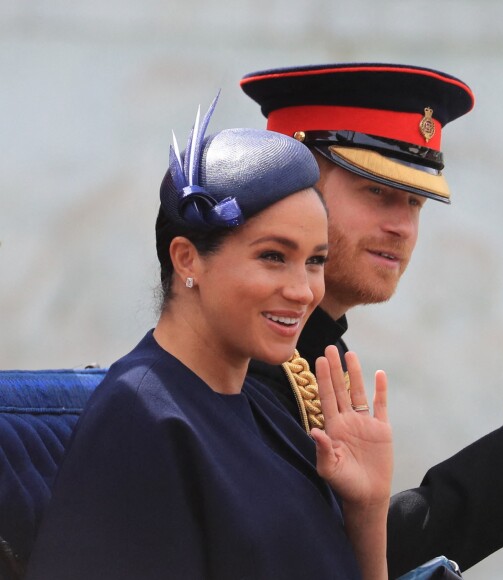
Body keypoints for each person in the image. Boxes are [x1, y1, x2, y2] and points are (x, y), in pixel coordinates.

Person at [25, 99, 393, 579]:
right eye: (273, 257)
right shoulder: (141, 417)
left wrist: (366, 510)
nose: (304, 291)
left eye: (315, 260)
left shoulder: (266, 411)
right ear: (187, 259)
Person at [240, 63, 503, 577]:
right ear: (292, 187)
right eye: (377, 192)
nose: (401, 226)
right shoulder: (247, 354)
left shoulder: (313, 349)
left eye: (416, 201)